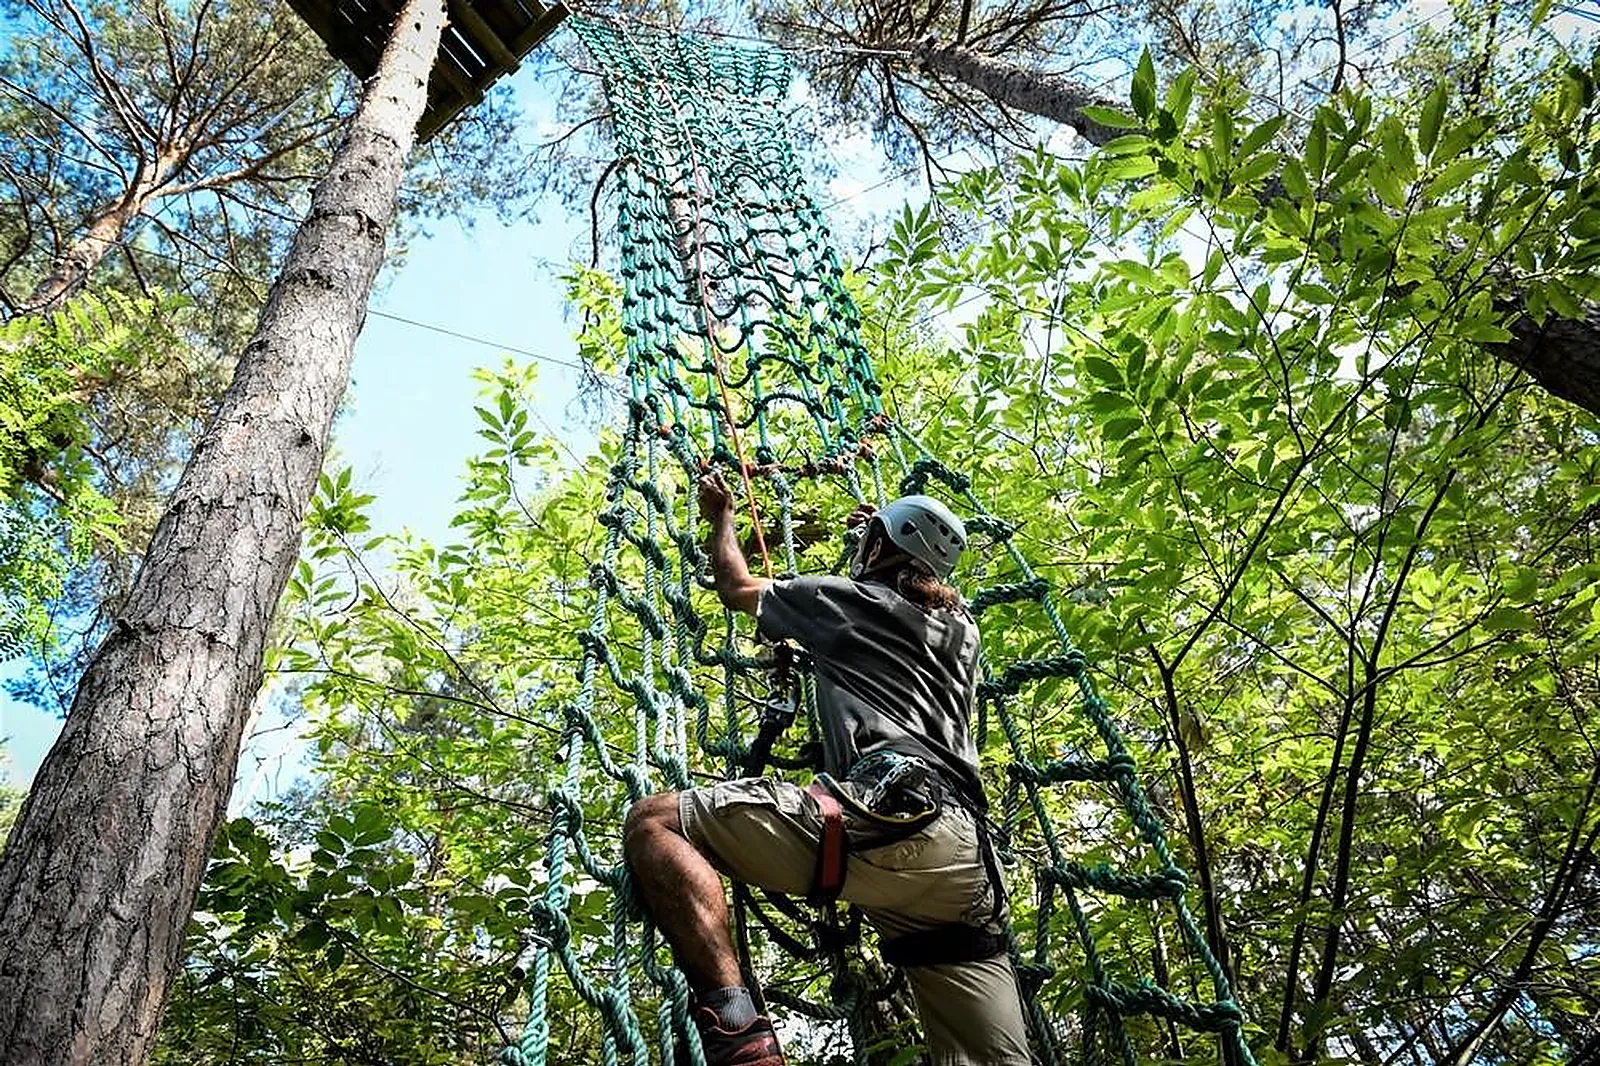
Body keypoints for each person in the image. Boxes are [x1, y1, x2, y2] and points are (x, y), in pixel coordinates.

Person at [623, 472, 1033, 1066]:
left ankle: (740, 1034)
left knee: (654, 823)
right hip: (966, 865)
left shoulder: (845, 602)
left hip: (885, 822)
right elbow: (902, 598)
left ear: (879, 549)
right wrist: (873, 541)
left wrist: (722, 517)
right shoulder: (962, 631)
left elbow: (736, 585)